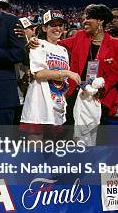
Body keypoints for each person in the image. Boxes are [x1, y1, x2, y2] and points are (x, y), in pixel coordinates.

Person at [20, 11, 80, 139]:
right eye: (53, 25)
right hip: (39, 101)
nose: (58, 28)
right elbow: (39, 74)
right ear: (44, 28)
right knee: (35, 147)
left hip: (56, 103)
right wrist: (67, 73)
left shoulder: (63, 50)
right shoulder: (38, 44)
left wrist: (62, 100)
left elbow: (63, 80)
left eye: (60, 25)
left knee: (49, 148)